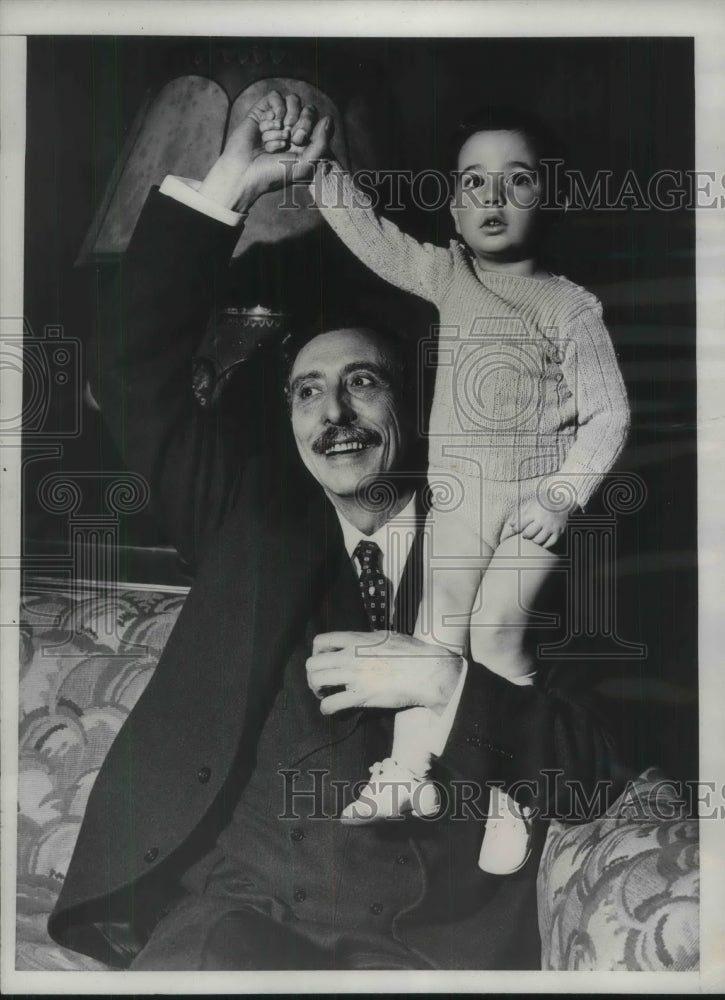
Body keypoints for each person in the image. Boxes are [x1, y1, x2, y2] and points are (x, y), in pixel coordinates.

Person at [47, 92, 621, 971]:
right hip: (231, 921)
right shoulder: (244, 520)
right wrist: (233, 178)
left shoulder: (516, 549)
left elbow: (587, 772)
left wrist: (448, 681)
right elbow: (133, 366)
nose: (334, 414)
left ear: (417, 406)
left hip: (416, 946)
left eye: (363, 383)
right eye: (307, 392)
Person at [259, 95, 631, 831]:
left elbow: (609, 413)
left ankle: (510, 788)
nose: (492, 198)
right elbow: (374, 238)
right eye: (472, 183)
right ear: (455, 208)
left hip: (530, 507)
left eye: (517, 180)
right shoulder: (450, 275)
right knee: (433, 634)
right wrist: (319, 171)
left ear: (547, 197)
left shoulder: (569, 309)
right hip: (457, 500)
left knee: (496, 635)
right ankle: (407, 773)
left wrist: (561, 497)